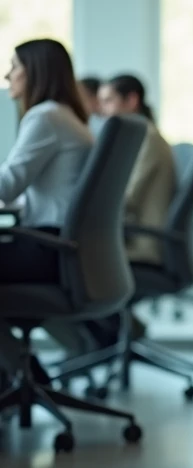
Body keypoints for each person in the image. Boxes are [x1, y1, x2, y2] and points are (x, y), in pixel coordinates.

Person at [0, 40, 94, 376]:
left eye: (14, 66)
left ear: (35, 71)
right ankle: (21, 375)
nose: (8, 74)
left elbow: (6, 185)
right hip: (61, 248)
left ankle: (21, 375)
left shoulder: (45, 116)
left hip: (47, 247)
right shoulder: (65, 116)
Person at [97, 74, 176, 265]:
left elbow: (129, 198)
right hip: (131, 233)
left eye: (108, 101)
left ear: (131, 100)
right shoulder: (140, 136)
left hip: (142, 243)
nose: (102, 111)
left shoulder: (147, 139)